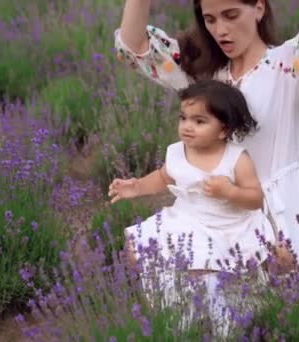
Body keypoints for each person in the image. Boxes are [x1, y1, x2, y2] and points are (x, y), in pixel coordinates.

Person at [113, 0, 299, 269]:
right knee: (169, 276)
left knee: (270, 305)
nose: (220, 30)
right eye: (210, 20)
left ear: (259, 8)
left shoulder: (289, 64)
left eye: (231, 15)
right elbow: (134, 46)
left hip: (272, 213)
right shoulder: (206, 74)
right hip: (211, 214)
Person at [109, 79, 277, 335]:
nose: (187, 127)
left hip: (226, 223)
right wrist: (137, 187)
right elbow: (164, 177)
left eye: (199, 121)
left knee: (206, 265)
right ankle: (174, 306)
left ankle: (215, 309)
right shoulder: (177, 152)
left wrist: (230, 191)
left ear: (223, 130)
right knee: (137, 248)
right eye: (183, 118)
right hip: (187, 216)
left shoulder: (236, 158)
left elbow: (255, 198)